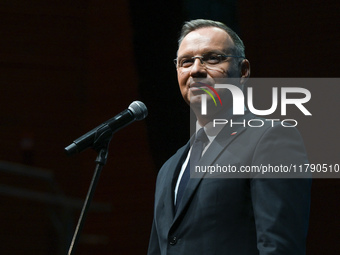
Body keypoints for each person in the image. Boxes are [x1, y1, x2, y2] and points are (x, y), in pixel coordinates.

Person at [147, 19, 311, 255]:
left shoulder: (271, 139)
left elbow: (280, 248)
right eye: (186, 62)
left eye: (212, 58)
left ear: (243, 71)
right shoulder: (169, 168)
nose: (196, 70)